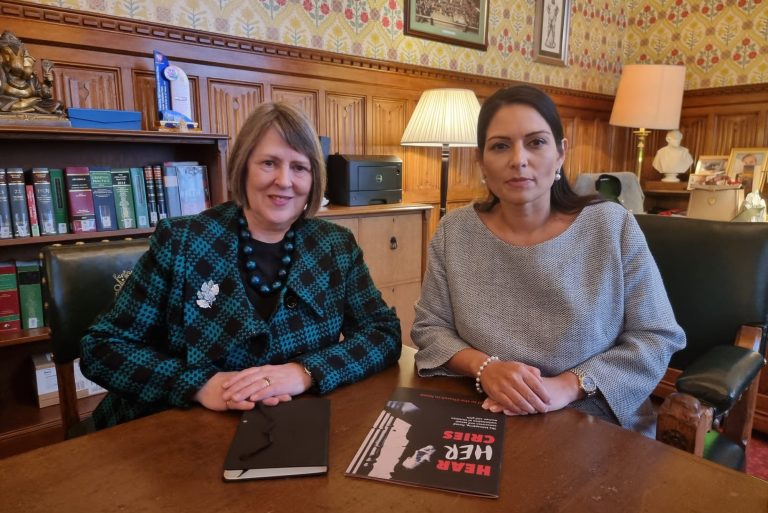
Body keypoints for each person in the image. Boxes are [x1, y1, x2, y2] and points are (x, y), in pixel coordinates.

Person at [80, 102, 402, 429]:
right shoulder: (181, 241)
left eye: (299, 167)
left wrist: (305, 371)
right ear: (243, 167)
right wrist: (198, 385)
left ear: (314, 178)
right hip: (176, 431)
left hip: (292, 429)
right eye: (268, 163)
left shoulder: (336, 245)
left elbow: (384, 333)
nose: (284, 180)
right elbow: (102, 348)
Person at [411, 85, 685, 437]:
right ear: (481, 160)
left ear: (560, 152)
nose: (518, 160)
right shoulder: (455, 231)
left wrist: (569, 385)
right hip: (485, 410)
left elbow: (657, 335)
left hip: (594, 416)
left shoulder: (611, 226)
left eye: (536, 142)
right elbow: (429, 328)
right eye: (500, 146)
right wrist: (485, 369)